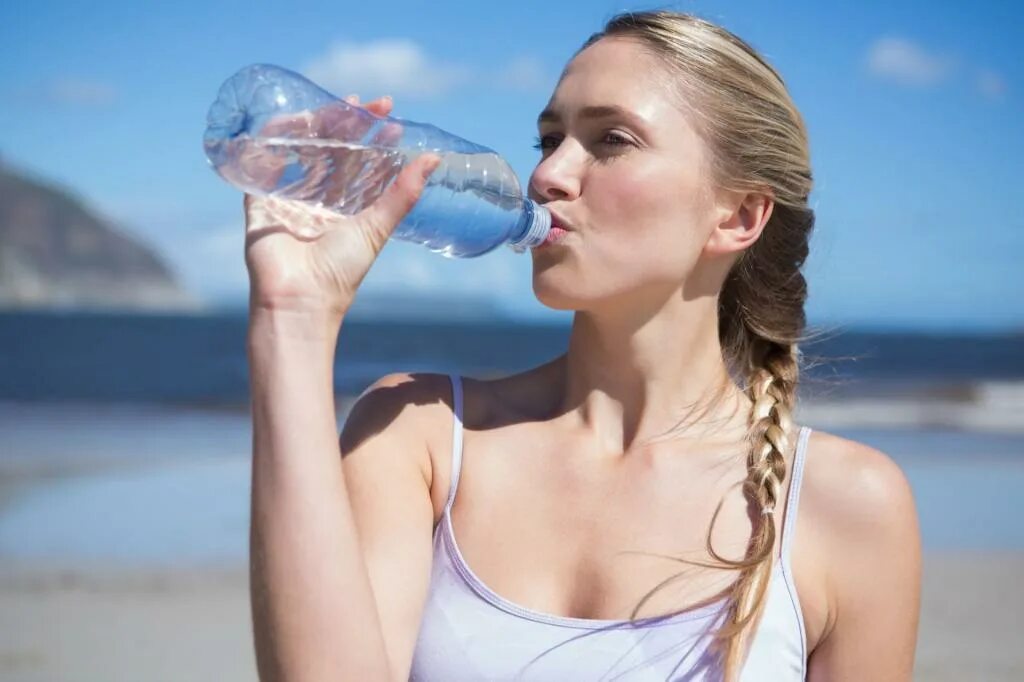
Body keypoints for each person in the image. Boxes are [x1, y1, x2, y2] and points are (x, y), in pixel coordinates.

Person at [244, 9, 921, 681]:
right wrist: (292, 315)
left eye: (613, 140)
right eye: (549, 139)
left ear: (739, 215)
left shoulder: (845, 505)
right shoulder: (419, 438)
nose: (548, 175)